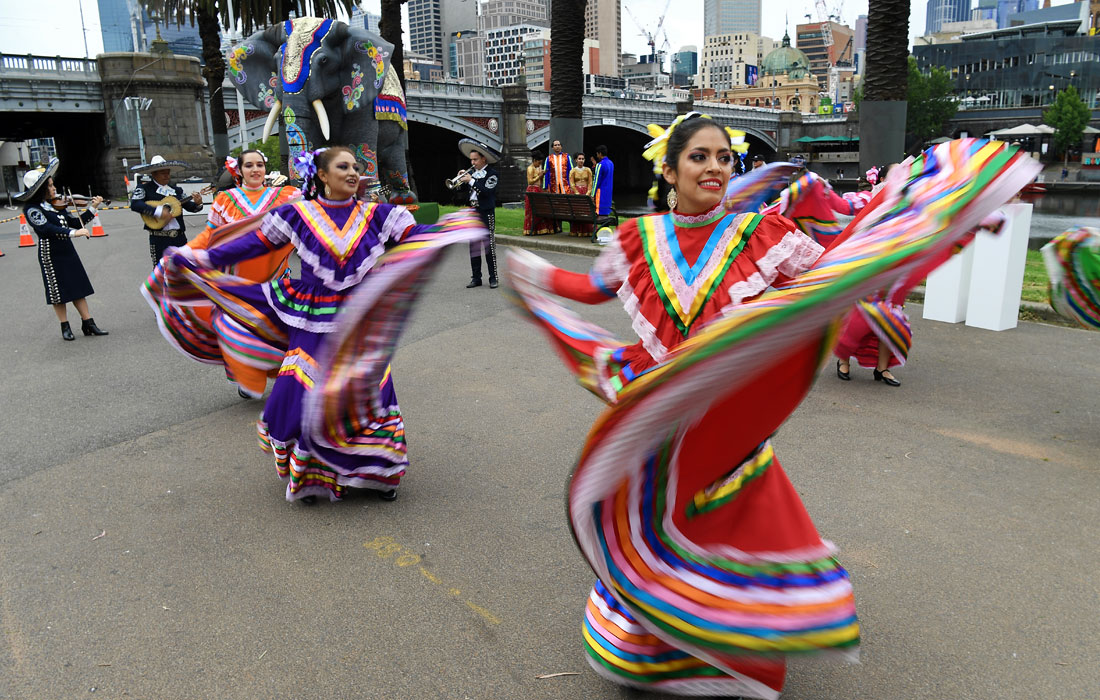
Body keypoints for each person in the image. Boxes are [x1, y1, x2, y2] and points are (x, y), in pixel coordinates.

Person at [505, 113, 856, 697]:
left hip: (726, 422)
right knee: (657, 528)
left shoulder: (760, 235)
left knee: (725, 525)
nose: (715, 167)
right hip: (658, 418)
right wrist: (534, 274)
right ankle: (659, 647)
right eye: (700, 157)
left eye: (724, 157)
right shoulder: (636, 239)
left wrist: (898, 227)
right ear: (669, 170)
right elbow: (590, 289)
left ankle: (729, 652)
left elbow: (830, 277)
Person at [159, 146, 482, 504]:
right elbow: (249, 245)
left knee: (367, 389)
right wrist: (201, 258)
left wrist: (452, 227)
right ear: (323, 176)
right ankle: (312, 473)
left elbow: (418, 236)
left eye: (356, 167)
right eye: (343, 166)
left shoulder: (381, 215)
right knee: (299, 390)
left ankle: (376, 472)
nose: (353, 172)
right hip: (311, 316)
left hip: (360, 316)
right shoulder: (297, 215)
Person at [163, 150, 300, 399]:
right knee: (240, 329)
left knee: (282, 328)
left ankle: (285, 376)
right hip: (237, 281)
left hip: (277, 277)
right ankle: (248, 375)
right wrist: (184, 252)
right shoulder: (225, 200)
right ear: (240, 170)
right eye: (250, 165)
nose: (256, 169)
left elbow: (306, 223)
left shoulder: (285, 196)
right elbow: (210, 236)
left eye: (260, 165)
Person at [17, 158, 109, 341]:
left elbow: (74, 222)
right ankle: (64, 326)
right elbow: (47, 229)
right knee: (57, 291)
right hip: (50, 253)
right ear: (41, 190)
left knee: (78, 286)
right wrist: (74, 233)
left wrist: (92, 208)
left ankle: (88, 323)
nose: (54, 189)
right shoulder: (32, 209)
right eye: (50, 186)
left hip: (66, 250)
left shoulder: (55, 205)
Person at [130, 155, 204, 266]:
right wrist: (159, 212)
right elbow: (135, 204)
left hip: (179, 237)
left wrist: (198, 203)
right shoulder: (144, 188)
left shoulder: (176, 190)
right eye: (162, 173)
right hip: (159, 238)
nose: (166, 175)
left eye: (168, 172)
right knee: (160, 271)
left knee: (184, 269)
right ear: (154, 174)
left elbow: (190, 207)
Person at [457, 138, 500, 289]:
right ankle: (476, 277)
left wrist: (471, 181)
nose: (472, 163)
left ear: (483, 158)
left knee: (489, 247)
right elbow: (461, 192)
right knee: (474, 246)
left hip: (486, 212)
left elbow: (487, 192)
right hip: (473, 212)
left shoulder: (492, 174)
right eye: (471, 160)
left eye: (475, 160)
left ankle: (493, 277)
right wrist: (461, 181)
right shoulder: (472, 174)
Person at [544, 139, 573, 233]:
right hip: (553, 187)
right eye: (555, 145)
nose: (557, 146)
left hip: (566, 187)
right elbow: (546, 173)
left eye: (559, 145)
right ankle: (557, 226)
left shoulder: (567, 157)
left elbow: (571, 171)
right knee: (556, 207)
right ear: (552, 147)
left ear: (561, 147)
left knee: (567, 207)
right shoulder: (548, 158)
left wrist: (572, 185)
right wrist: (546, 186)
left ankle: (571, 226)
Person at [523, 150, 553, 236]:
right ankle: (530, 229)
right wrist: (539, 176)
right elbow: (530, 181)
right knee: (531, 211)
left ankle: (541, 228)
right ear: (535, 160)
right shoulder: (530, 168)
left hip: (538, 189)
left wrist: (542, 175)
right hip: (532, 190)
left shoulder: (539, 168)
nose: (540, 164)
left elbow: (540, 180)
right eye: (538, 162)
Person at [568, 152, 594, 237]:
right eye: (579, 159)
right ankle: (577, 230)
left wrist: (587, 193)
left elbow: (590, 183)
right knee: (578, 211)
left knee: (586, 212)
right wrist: (577, 193)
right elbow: (572, 184)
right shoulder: (573, 171)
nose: (581, 160)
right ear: (576, 160)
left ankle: (587, 231)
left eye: (583, 159)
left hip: (586, 192)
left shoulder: (588, 170)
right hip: (577, 193)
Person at [590, 145, 614, 221]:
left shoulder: (600, 165)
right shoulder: (611, 163)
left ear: (600, 153)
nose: (597, 156)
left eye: (597, 154)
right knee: (605, 215)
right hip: (608, 193)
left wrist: (592, 194)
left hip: (600, 194)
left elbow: (596, 181)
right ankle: (606, 231)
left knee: (599, 214)